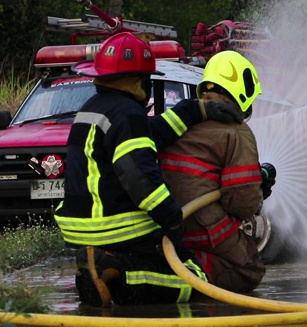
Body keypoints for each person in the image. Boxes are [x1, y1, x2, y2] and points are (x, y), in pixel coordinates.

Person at [54, 32, 240, 307]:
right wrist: (171, 216)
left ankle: (102, 270)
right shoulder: (127, 114)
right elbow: (138, 175)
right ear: (141, 80)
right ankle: (117, 272)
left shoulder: (96, 109)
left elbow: (150, 135)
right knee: (193, 279)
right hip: (116, 227)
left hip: (83, 227)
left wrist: (194, 110)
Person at [159, 50, 275, 293]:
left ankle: (174, 263)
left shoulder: (181, 117)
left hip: (165, 225)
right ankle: (188, 272)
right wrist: (258, 193)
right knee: (249, 269)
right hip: (201, 227)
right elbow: (241, 201)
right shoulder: (236, 131)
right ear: (242, 91)